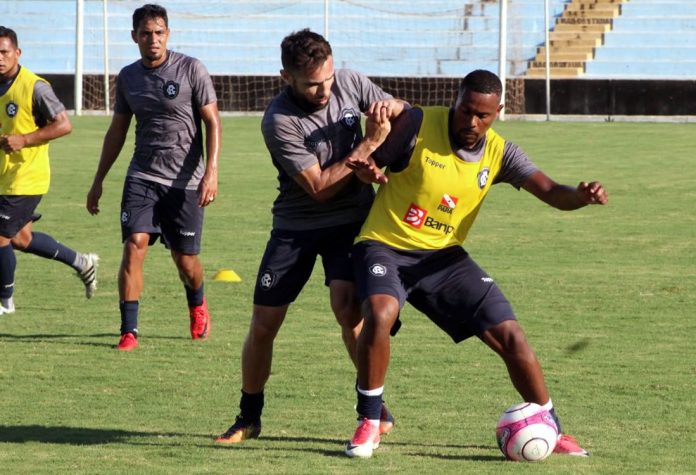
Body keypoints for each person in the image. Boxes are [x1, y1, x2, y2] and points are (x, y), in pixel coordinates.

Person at [343, 69, 608, 458]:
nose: (471, 122)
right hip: (384, 244)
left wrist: (581, 196)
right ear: (456, 99)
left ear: (497, 112)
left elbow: (551, 192)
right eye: (466, 110)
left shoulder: (501, 153)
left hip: (444, 258)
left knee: (511, 336)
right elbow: (373, 164)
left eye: (482, 115)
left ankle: (551, 426)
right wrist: (370, 170)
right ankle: (369, 421)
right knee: (380, 313)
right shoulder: (418, 123)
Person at [215, 29, 406, 444]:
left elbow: (402, 112)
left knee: (348, 311)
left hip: (353, 223)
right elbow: (318, 187)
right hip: (296, 227)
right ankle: (249, 416)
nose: (323, 91)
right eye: (311, 84)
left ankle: (372, 411)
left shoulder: (350, 82)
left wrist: (394, 105)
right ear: (286, 77)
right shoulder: (278, 120)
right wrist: (370, 144)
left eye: (327, 79)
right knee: (264, 323)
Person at [86, 4, 221, 351]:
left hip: (185, 182)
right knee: (135, 245)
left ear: (168, 34)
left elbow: (212, 122)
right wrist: (98, 179)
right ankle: (129, 331)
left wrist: (212, 171)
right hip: (142, 175)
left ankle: (197, 305)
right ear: (135, 37)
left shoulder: (191, 69)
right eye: (146, 33)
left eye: (159, 32)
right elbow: (117, 131)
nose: (153, 39)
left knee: (185, 261)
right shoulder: (129, 77)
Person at [0, 26, 99, 315]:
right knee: (21, 238)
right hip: (4, 176)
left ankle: (5, 302)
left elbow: (64, 124)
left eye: (4, 52)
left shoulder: (35, 87)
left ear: (17, 53)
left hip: (26, 177)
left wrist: (25, 139)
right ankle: (82, 262)